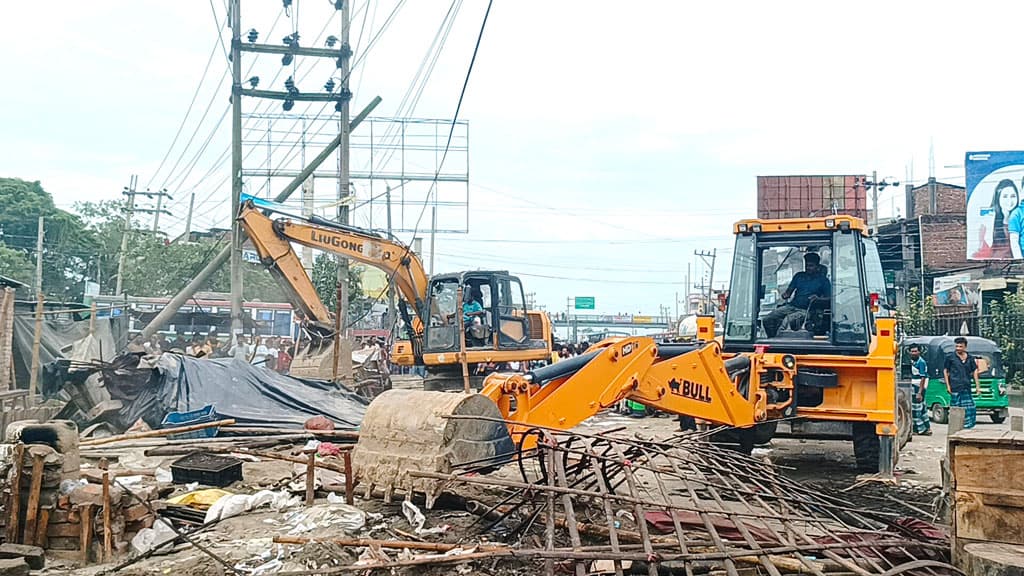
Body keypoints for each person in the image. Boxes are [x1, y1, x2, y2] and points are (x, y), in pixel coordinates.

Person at [762, 252, 831, 337]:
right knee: (767, 319)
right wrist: (785, 295)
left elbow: (829, 298)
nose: (808, 268)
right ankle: (771, 339)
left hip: (807, 310)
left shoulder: (823, 281)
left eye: (811, 266)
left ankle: (779, 343)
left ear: (817, 266)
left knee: (786, 322)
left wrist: (818, 299)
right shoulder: (799, 276)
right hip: (791, 306)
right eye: (806, 265)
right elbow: (788, 292)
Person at [943, 336, 982, 429]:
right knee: (956, 408)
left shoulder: (970, 358)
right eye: (957, 346)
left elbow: (975, 371)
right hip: (955, 386)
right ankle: (956, 427)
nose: (958, 348)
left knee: (970, 409)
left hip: (966, 386)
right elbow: (945, 371)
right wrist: (948, 386)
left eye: (960, 346)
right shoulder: (950, 357)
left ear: (965, 347)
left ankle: (968, 428)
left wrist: (977, 387)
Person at [975, 179, 1018, 259]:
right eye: (1005, 196)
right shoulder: (989, 220)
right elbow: (981, 245)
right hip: (996, 262)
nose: (1010, 201)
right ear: (998, 198)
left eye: (1013, 196)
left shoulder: (1019, 218)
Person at [908, 344, 931, 436]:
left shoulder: (921, 362)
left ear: (919, 352)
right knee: (922, 409)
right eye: (912, 351)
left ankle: (920, 429)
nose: (914, 353)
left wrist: (919, 393)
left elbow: (923, 378)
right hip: (913, 385)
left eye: (915, 351)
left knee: (916, 409)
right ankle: (927, 428)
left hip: (918, 387)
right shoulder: (912, 361)